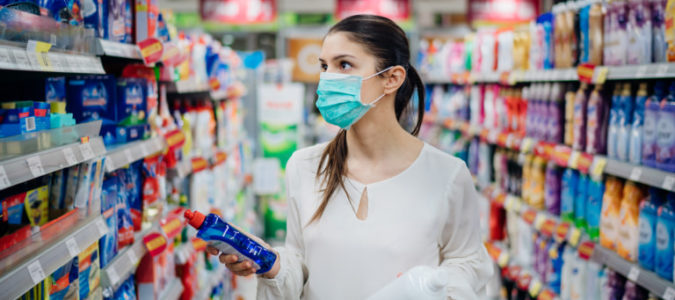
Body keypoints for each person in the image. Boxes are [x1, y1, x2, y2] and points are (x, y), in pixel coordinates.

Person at [207, 14, 493, 299]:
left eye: (344, 65)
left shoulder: (446, 175)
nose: (327, 78)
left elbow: (468, 264)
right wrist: (271, 264)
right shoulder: (305, 167)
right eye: (323, 66)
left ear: (391, 79)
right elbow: (301, 266)